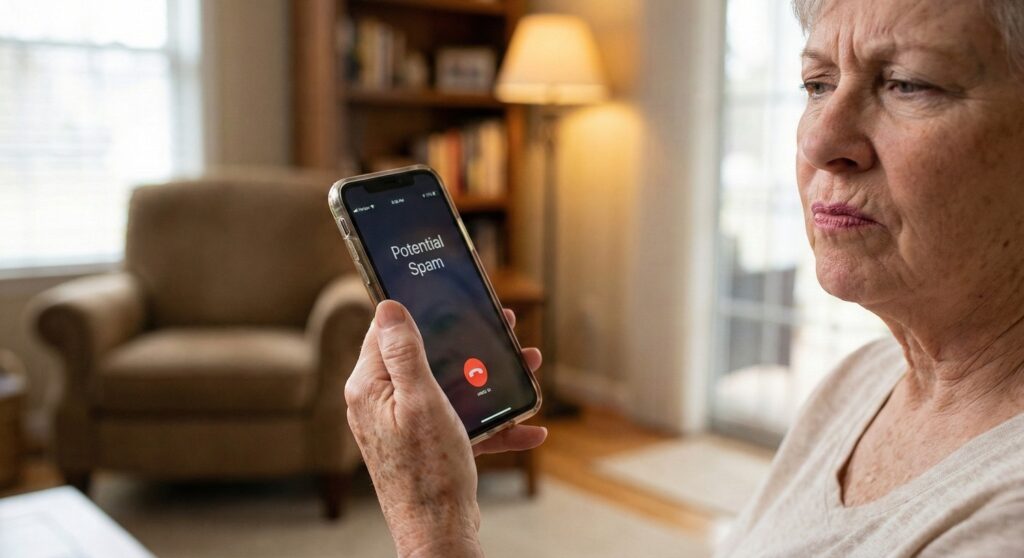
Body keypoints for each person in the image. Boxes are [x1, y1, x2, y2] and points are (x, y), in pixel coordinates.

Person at [343, 0, 1024, 555]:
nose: (819, 139)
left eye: (908, 83)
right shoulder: (861, 380)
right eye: (816, 84)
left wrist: (433, 530)